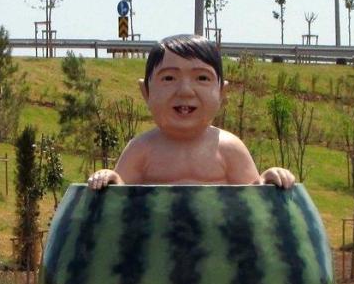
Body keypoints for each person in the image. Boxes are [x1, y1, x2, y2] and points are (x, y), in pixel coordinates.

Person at [86, 34, 296, 189]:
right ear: (146, 92)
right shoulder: (142, 149)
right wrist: (110, 179)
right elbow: (119, 199)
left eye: (202, 78)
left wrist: (268, 180)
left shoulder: (229, 148)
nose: (185, 90)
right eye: (169, 78)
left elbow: (254, 197)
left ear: (222, 92)